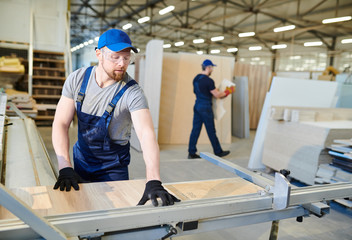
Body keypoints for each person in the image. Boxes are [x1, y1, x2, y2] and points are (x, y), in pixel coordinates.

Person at [52, 29, 180, 207]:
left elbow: (146, 134)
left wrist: (153, 180)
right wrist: (64, 166)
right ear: (99, 54)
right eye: (115, 57)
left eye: (126, 58)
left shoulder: (132, 93)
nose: (122, 63)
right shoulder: (77, 79)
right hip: (81, 160)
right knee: (81, 212)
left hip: (113, 168)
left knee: (115, 216)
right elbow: (61, 123)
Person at [188, 59, 235, 159]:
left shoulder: (196, 78)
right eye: (211, 68)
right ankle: (218, 152)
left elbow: (197, 92)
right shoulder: (209, 81)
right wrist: (228, 92)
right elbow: (217, 95)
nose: (212, 70)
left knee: (195, 130)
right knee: (211, 130)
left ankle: (191, 152)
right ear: (208, 68)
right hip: (205, 107)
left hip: (197, 105)